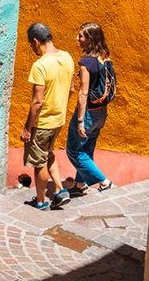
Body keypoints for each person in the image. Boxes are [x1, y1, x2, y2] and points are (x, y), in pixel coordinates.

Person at [21, 23, 74, 210]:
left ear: (36, 41)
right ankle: (59, 190)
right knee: (48, 153)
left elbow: (37, 102)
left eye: (31, 44)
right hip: (58, 120)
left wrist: (28, 127)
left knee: (38, 162)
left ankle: (41, 200)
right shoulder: (67, 57)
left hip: (42, 123)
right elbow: (71, 88)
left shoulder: (40, 65)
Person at [66, 22, 115, 196]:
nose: (77, 39)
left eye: (81, 36)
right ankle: (80, 184)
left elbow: (83, 93)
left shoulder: (86, 62)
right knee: (87, 148)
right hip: (101, 113)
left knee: (73, 150)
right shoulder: (105, 56)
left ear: (90, 39)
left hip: (87, 114)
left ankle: (104, 182)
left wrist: (80, 121)